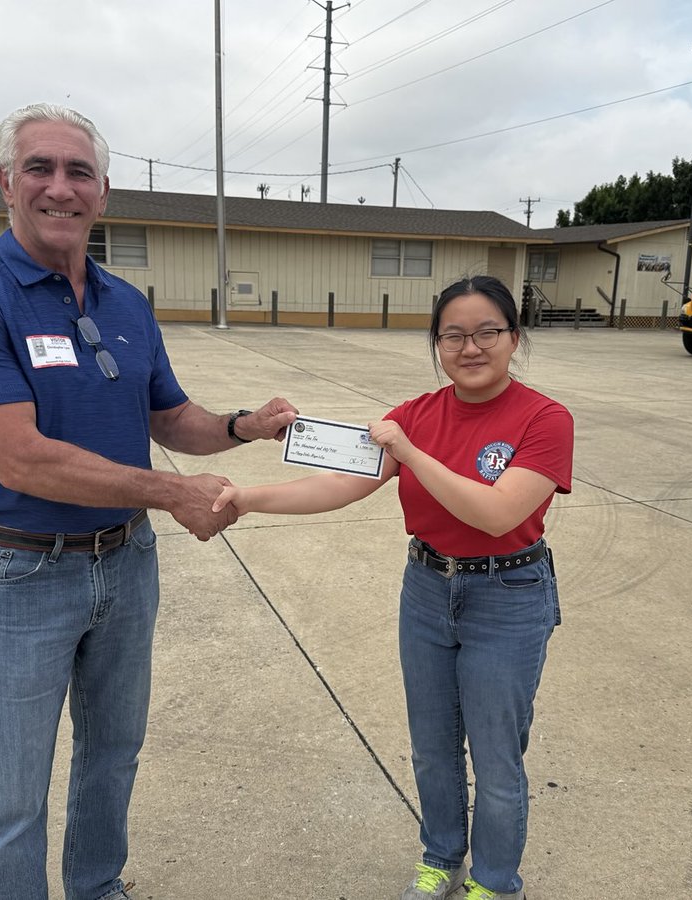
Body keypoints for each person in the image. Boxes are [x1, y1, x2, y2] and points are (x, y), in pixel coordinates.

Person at [0, 102, 297, 900]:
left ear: (102, 192)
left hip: (126, 565)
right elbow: (21, 458)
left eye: (79, 172)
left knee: (113, 754)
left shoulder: (126, 303)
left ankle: (97, 887)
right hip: (21, 572)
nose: (61, 188)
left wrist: (246, 426)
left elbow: (169, 418)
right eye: (40, 169)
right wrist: (170, 492)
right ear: (5, 186)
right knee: (15, 789)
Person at [212, 275, 573, 900]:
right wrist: (248, 498)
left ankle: (492, 883)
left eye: (487, 332)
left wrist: (409, 450)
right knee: (432, 747)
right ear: (436, 343)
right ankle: (440, 857)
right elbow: (341, 483)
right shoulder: (416, 415)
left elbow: (495, 513)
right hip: (429, 589)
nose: (470, 347)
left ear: (514, 338)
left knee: (495, 757)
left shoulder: (544, 419)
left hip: (507, 595)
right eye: (453, 335)